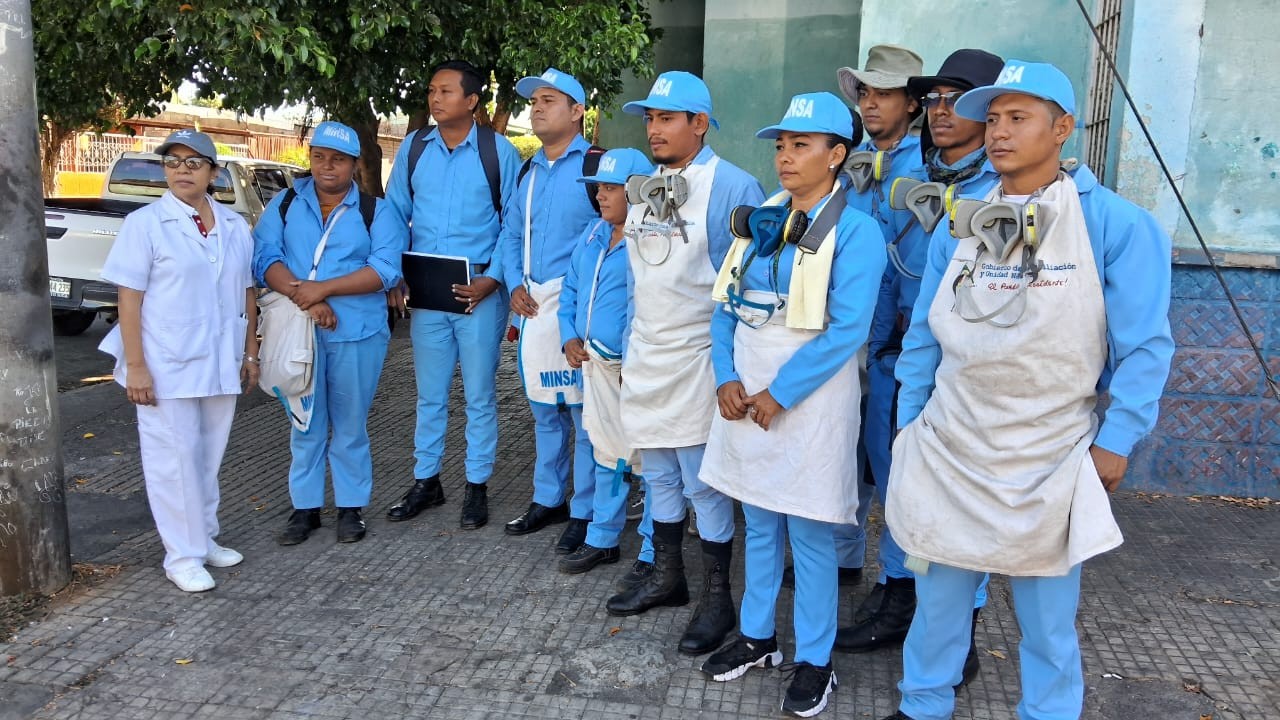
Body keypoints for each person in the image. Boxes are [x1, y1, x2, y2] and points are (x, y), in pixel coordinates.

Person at [881, 61, 1174, 720]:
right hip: (951, 447)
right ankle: (923, 705)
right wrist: (909, 426)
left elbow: (1146, 347)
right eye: (995, 119)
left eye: (1019, 118)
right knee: (939, 606)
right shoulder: (964, 223)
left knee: (1046, 623)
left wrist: (1117, 441)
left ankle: (1048, 712)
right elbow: (927, 337)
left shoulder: (1115, 226)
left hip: (1051, 456)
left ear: (1062, 127)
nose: (999, 133)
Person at [698, 92, 885, 717]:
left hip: (809, 400)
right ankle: (757, 637)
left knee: (807, 530)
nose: (785, 156)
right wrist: (725, 376)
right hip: (745, 392)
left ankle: (815, 659)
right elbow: (726, 304)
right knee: (760, 518)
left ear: (837, 155)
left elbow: (848, 329)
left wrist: (780, 394)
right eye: (780, 144)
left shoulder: (857, 232)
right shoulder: (762, 221)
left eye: (800, 145)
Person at [835, 50, 1004, 674]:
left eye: (955, 100)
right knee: (903, 483)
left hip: (963, 371)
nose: (940, 111)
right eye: (934, 99)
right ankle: (900, 598)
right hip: (897, 359)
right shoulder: (917, 175)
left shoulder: (1000, 193)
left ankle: (962, 634)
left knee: (963, 499)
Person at [603, 70, 765, 657]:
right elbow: (638, 277)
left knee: (704, 483)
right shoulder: (645, 186)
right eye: (649, 118)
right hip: (648, 354)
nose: (654, 129)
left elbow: (743, 290)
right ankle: (669, 578)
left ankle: (718, 597)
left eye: (666, 118)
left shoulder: (733, 186)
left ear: (700, 123)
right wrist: (627, 348)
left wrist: (731, 370)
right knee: (660, 474)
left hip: (698, 357)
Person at [97, 129, 258, 593]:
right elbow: (129, 301)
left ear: (213, 172)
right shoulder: (145, 224)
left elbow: (246, 294)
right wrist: (138, 366)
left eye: (193, 162)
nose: (182, 171)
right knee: (173, 460)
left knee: (206, 456)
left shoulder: (233, 226)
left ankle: (203, 538)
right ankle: (181, 555)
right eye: (173, 162)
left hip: (219, 359)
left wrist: (251, 352)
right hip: (164, 363)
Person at [252, 121, 408, 546]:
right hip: (297, 330)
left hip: (357, 333)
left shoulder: (377, 211)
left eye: (338, 159)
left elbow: (385, 269)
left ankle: (350, 508)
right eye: (319, 156)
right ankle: (305, 510)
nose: (327, 166)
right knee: (305, 423)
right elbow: (264, 257)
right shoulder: (285, 203)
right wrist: (308, 298)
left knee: (351, 423)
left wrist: (326, 289)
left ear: (354, 165)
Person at [383, 60, 521, 530]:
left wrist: (494, 279)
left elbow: (513, 224)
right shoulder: (414, 149)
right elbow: (394, 213)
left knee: (480, 396)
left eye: (445, 91)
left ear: (472, 101)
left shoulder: (498, 151)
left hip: (477, 292)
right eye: (431, 92)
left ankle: (476, 487)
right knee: (430, 395)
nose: (435, 99)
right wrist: (394, 274)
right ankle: (427, 481)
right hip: (426, 293)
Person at [812, 43, 925, 610]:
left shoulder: (927, 169)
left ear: (913, 102)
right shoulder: (850, 167)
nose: (871, 103)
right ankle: (841, 555)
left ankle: (898, 584)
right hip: (842, 329)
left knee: (892, 459)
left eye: (884, 93)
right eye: (865, 92)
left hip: (898, 340)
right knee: (842, 446)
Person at [499, 68, 601, 550]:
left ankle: (586, 508)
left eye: (549, 100)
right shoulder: (528, 168)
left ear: (577, 111)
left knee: (584, 414)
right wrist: (514, 284)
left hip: (581, 309)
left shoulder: (598, 167)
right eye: (534, 101)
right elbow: (511, 234)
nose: (537, 108)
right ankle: (547, 498)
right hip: (535, 305)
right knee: (544, 409)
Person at [555, 147, 656, 574]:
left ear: (636, 191)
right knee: (606, 449)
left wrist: (631, 361)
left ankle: (654, 551)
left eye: (611, 188)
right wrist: (569, 337)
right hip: (595, 368)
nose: (601, 195)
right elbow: (570, 293)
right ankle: (603, 537)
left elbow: (646, 305)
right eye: (598, 187)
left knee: (652, 463)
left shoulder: (652, 238)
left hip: (633, 370)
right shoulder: (593, 233)